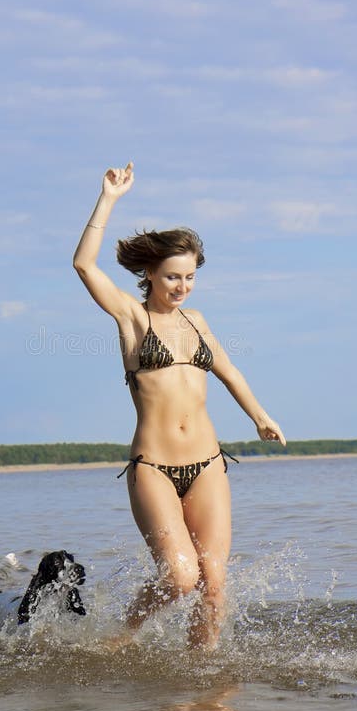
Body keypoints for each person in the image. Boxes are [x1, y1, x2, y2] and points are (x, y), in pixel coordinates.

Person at [73, 162, 286, 649]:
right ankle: (121, 638)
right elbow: (84, 265)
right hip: (153, 468)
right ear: (149, 274)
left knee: (213, 588)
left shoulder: (197, 320)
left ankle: (203, 685)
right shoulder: (132, 317)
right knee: (181, 578)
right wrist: (108, 199)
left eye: (189, 277)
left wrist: (260, 417)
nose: (182, 286)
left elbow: (229, 371)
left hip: (209, 463)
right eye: (172, 276)